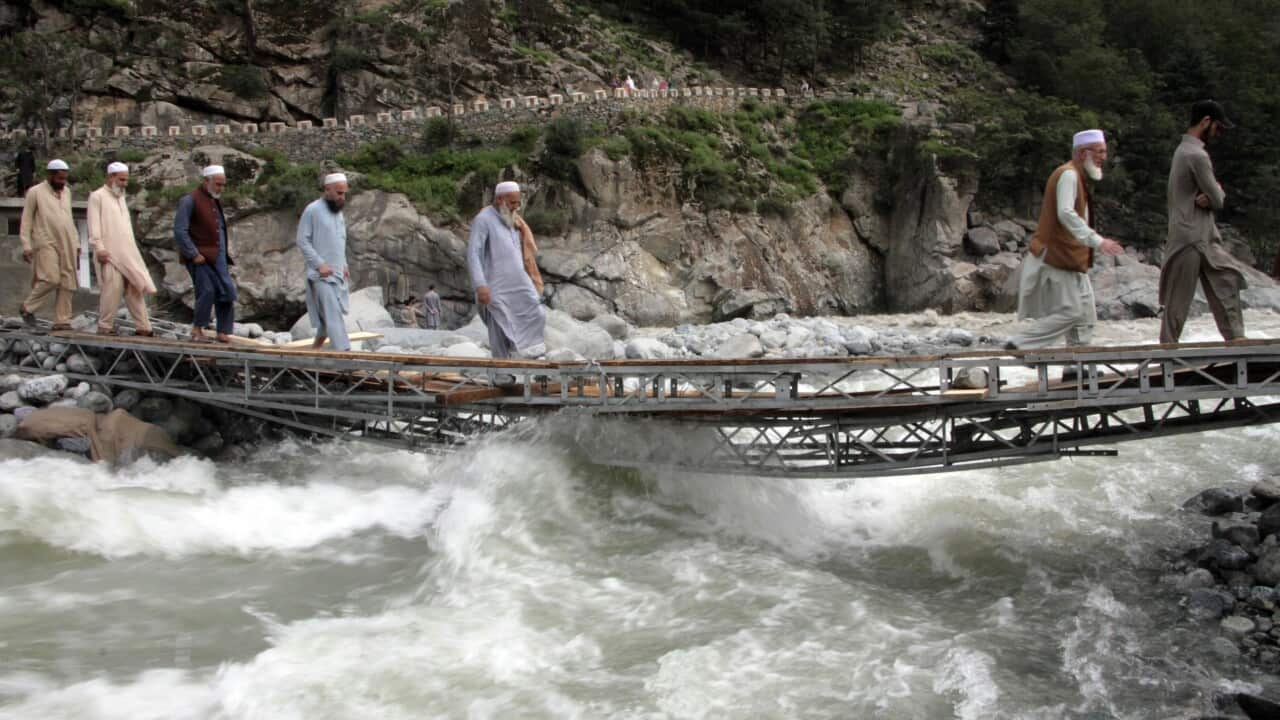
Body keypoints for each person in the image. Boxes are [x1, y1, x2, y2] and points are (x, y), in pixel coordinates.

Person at [1007, 129, 1124, 363]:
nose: (1104, 157)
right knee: (1071, 311)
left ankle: (1075, 366)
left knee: (1086, 314)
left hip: (1070, 257)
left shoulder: (1077, 177)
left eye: (1105, 152)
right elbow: (1065, 213)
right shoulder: (1068, 175)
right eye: (1100, 152)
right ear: (1083, 153)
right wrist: (1098, 241)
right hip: (1056, 255)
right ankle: (1021, 344)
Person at [1158, 100, 1245, 344]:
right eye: (1218, 127)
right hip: (1191, 236)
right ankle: (1168, 352)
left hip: (1201, 233)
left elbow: (1210, 198)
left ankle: (1238, 342)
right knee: (1178, 300)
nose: (1219, 133)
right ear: (1206, 122)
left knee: (1226, 280)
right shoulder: (1196, 155)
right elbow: (1217, 199)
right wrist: (1217, 190)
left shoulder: (1183, 151)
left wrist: (1212, 194)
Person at [466, 181, 546, 359]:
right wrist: (480, 285)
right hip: (495, 286)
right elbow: (473, 253)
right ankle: (502, 375)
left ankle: (530, 354)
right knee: (499, 327)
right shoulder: (484, 219)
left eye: (518, 203)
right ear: (500, 199)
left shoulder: (512, 220)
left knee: (537, 311)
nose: (516, 207)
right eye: (512, 203)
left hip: (518, 283)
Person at [88, 162, 155, 336]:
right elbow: (93, 225)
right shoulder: (97, 196)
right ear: (111, 177)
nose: (124, 184)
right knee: (113, 288)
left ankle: (144, 328)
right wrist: (99, 247)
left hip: (126, 253)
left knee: (135, 288)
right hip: (108, 253)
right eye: (121, 180)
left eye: (126, 180)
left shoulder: (121, 198)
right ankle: (105, 326)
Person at [174, 164, 236, 343]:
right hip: (200, 257)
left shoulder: (214, 199)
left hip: (217, 256)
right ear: (206, 181)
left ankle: (223, 331)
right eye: (218, 184)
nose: (221, 188)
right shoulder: (189, 200)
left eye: (223, 185)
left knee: (227, 291)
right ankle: (197, 329)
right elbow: (180, 230)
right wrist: (193, 253)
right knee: (206, 291)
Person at [18, 159, 80, 330]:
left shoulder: (66, 192)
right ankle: (27, 308)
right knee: (51, 278)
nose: (63, 182)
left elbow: (68, 218)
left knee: (68, 282)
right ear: (50, 175)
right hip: (45, 240)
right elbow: (26, 220)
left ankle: (62, 321)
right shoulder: (35, 192)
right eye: (60, 179)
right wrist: (26, 245)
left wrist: (76, 242)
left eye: (65, 179)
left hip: (67, 242)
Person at [297, 173, 352, 351]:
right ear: (327, 189)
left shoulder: (338, 211)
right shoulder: (312, 210)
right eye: (339, 193)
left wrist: (344, 264)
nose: (342, 197)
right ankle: (344, 353)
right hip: (320, 274)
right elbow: (302, 241)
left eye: (344, 193)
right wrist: (319, 264)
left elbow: (340, 239)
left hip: (337, 272)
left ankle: (314, 351)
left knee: (326, 317)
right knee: (333, 313)